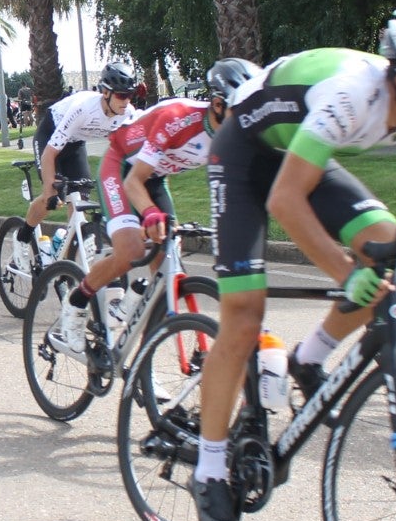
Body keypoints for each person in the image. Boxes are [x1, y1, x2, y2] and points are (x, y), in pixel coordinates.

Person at [196, 9, 396, 521]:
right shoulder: (351, 95)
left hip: (299, 149)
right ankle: (210, 466)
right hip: (244, 151)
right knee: (243, 317)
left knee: (389, 253)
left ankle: (307, 358)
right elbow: (286, 201)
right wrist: (341, 270)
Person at [46, 59, 257, 358]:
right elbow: (134, 182)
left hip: (155, 179)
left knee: (167, 269)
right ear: (219, 105)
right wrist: (150, 213)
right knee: (131, 250)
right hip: (122, 169)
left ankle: (143, 355)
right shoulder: (179, 118)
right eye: (243, 110)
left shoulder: (236, 138)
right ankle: (76, 303)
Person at [6, 63, 142, 273]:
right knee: (53, 196)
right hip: (50, 136)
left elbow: (128, 155)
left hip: (76, 143)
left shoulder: (127, 114)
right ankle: (22, 237)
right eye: (122, 95)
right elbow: (50, 153)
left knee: (80, 198)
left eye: (130, 95)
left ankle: (65, 262)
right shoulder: (84, 108)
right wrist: (50, 191)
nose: (127, 101)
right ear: (105, 93)